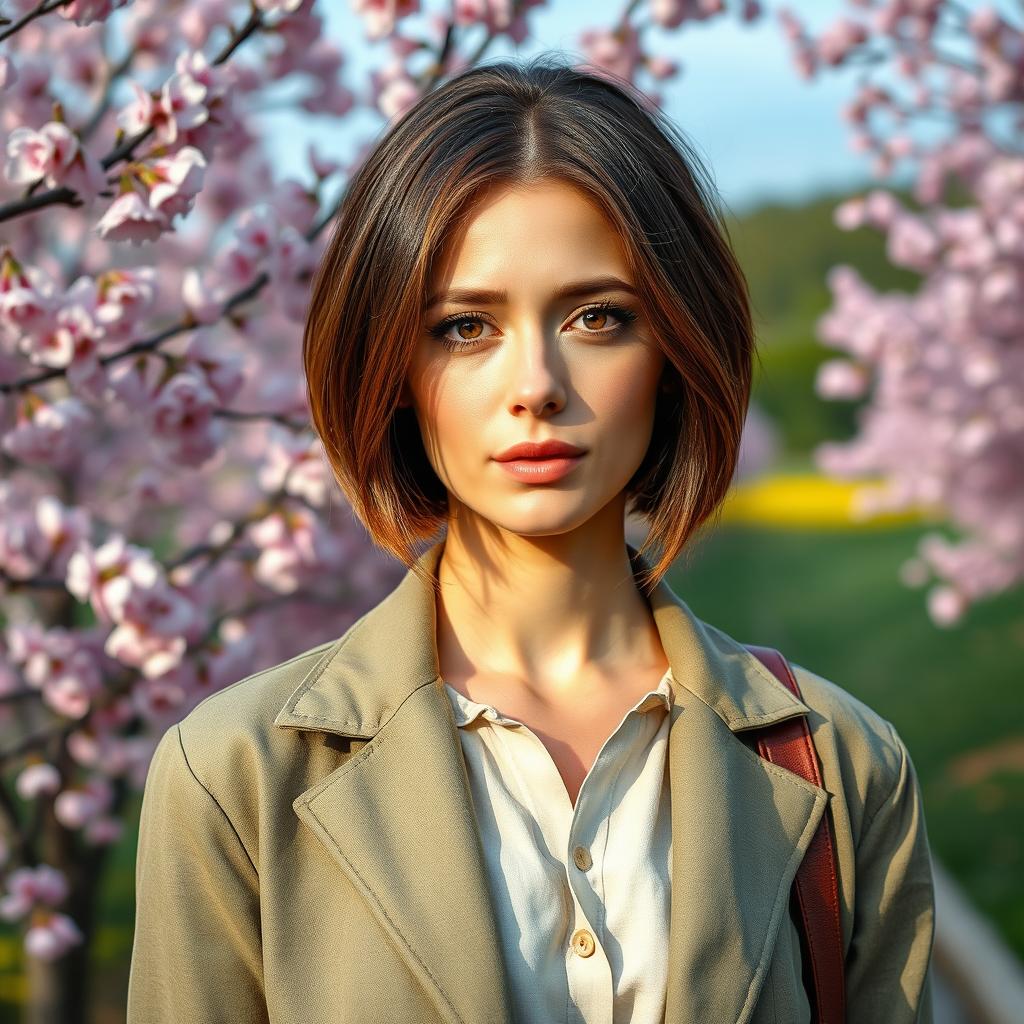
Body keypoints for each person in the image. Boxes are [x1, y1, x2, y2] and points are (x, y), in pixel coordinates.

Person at [127, 55, 935, 1023]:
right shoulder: (234, 776)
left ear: (674, 352)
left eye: (598, 316)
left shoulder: (843, 764)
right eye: (465, 327)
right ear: (391, 368)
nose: (537, 384)